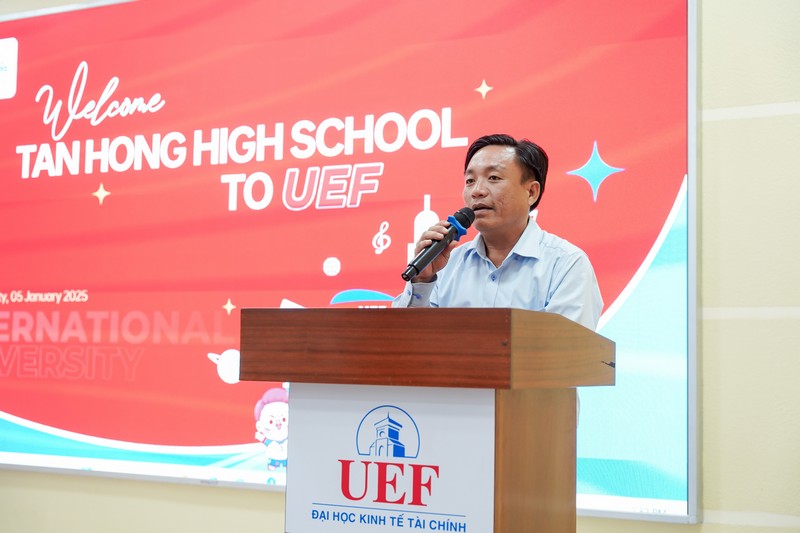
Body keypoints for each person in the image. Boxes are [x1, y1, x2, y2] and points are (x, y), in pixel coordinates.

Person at [393, 133, 603, 331]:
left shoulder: (566, 264)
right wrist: (422, 281)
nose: (477, 191)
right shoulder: (447, 265)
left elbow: (568, 349)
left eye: (493, 177)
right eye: (470, 181)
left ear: (531, 192)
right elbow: (404, 340)